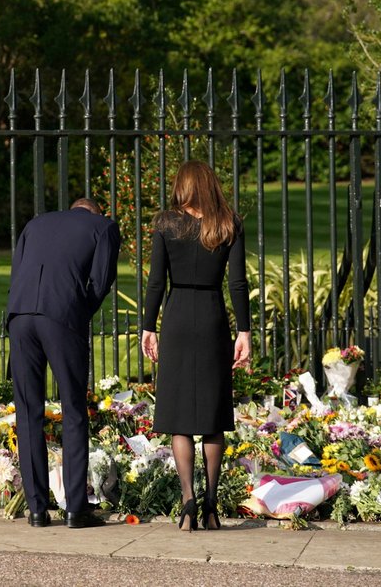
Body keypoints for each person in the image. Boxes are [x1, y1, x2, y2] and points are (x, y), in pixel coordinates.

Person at [141, 160, 251, 532]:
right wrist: (245, 332)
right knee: (213, 414)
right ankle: (211, 505)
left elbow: (156, 281)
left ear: (183, 186)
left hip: (175, 318)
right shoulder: (228, 223)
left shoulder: (166, 223)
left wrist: (148, 327)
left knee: (180, 416)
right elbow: (238, 283)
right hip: (211, 316)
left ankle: (188, 500)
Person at [7, 198, 120, 528]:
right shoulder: (104, 227)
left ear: (72, 209)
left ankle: (37, 509)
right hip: (61, 316)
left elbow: (18, 271)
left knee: (28, 412)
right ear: (95, 212)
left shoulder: (36, 223)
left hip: (20, 315)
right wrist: (78, 311)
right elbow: (100, 282)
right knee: (73, 409)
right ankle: (75, 508)